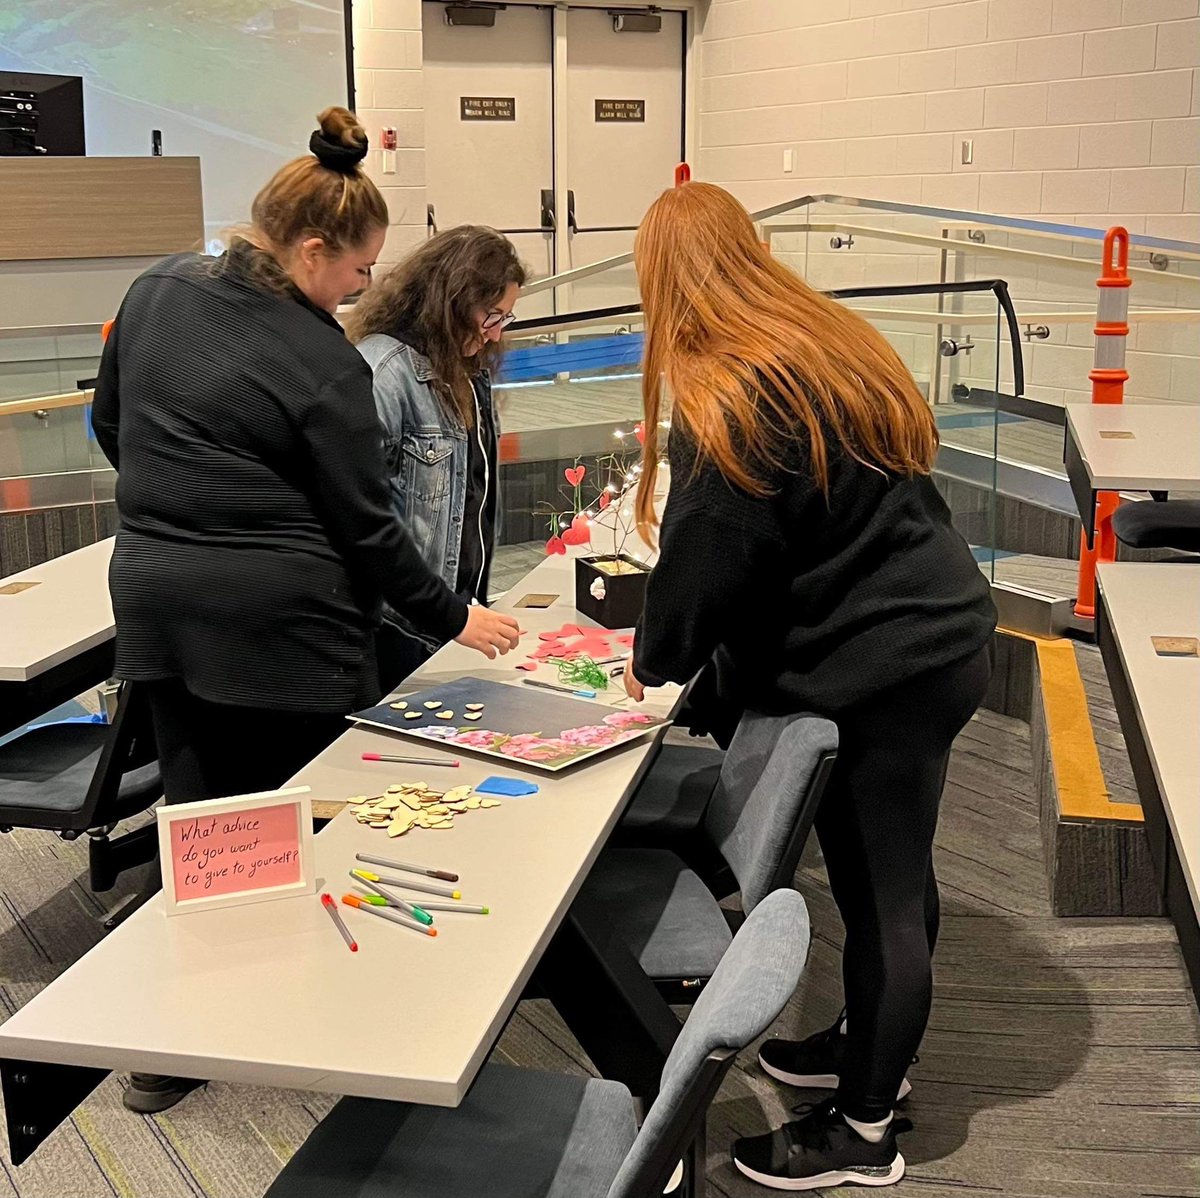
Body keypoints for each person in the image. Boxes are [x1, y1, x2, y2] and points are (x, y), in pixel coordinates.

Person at [92, 109, 519, 1112]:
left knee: (201, 819)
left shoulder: (157, 287)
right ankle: (322, 1022)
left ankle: (179, 1039)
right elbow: (369, 533)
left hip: (159, 600)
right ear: (314, 247)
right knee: (320, 818)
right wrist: (457, 618)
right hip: (287, 626)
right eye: (360, 268)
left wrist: (183, 514)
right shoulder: (319, 357)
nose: (367, 287)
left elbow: (112, 421)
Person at [622, 182, 997, 1191]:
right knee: (897, 874)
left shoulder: (729, 389)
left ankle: (866, 1132)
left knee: (885, 899)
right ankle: (869, 1041)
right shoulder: (819, 337)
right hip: (935, 638)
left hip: (892, 666)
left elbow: (709, 565)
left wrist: (651, 660)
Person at [346, 227, 525, 691]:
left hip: (455, 618)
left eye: (506, 318)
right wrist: (445, 613)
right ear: (453, 302)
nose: (494, 334)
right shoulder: (383, 374)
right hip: (401, 630)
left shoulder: (467, 372)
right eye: (491, 316)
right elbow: (360, 522)